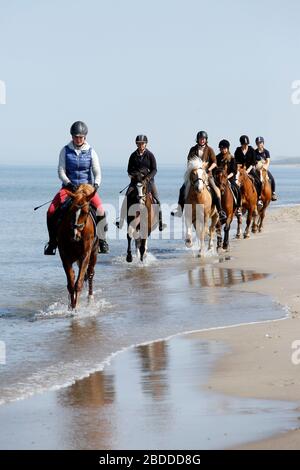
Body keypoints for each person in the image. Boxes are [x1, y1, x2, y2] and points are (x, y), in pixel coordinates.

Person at [44, 121, 109, 255]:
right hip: (69, 188)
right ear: (72, 136)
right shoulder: (65, 150)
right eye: (75, 137)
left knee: (101, 211)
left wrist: (96, 184)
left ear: (85, 137)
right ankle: (52, 242)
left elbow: (97, 171)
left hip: (87, 189)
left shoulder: (91, 152)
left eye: (81, 137)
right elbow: (61, 170)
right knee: (50, 211)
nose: (78, 139)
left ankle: (102, 241)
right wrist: (68, 182)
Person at [171, 131, 227, 224]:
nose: (202, 140)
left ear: (206, 140)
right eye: (201, 139)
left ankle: (220, 211)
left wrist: (208, 170)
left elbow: (214, 162)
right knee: (182, 189)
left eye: (203, 139)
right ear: (198, 139)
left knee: (216, 190)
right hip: (195, 175)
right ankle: (179, 210)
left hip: (207, 174)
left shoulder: (210, 150)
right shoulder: (193, 149)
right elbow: (189, 161)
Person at [115, 135, 167, 231]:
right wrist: (135, 175)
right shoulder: (133, 155)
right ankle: (121, 221)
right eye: (139, 143)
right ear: (136, 144)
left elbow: (154, 169)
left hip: (148, 182)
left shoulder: (150, 155)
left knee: (157, 199)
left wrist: (147, 178)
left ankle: (160, 222)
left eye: (142, 143)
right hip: (135, 182)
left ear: (145, 144)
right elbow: (129, 170)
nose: (140, 145)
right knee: (126, 198)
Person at [234, 135, 263, 207]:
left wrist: (248, 170)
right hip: (240, 170)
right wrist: (240, 168)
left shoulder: (251, 150)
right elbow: (236, 161)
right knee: (235, 183)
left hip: (249, 169)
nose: (245, 146)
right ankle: (236, 200)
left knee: (258, 181)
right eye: (244, 144)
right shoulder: (238, 150)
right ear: (241, 144)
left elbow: (253, 162)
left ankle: (259, 198)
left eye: (246, 144)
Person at [216, 139, 242, 215]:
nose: (222, 150)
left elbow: (234, 171)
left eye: (224, 148)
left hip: (229, 179)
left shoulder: (232, 158)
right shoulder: (217, 157)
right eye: (221, 148)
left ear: (227, 148)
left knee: (237, 189)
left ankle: (238, 207)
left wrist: (227, 177)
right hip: (218, 179)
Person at [254, 136, 277, 201]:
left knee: (272, 178)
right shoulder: (254, 152)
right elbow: (253, 162)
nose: (259, 144)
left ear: (263, 143)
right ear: (256, 144)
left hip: (264, 169)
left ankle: (273, 193)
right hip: (257, 170)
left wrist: (265, 168)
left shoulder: (266, 152)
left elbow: (268, 161)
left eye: (260, 143)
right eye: (258, 143)